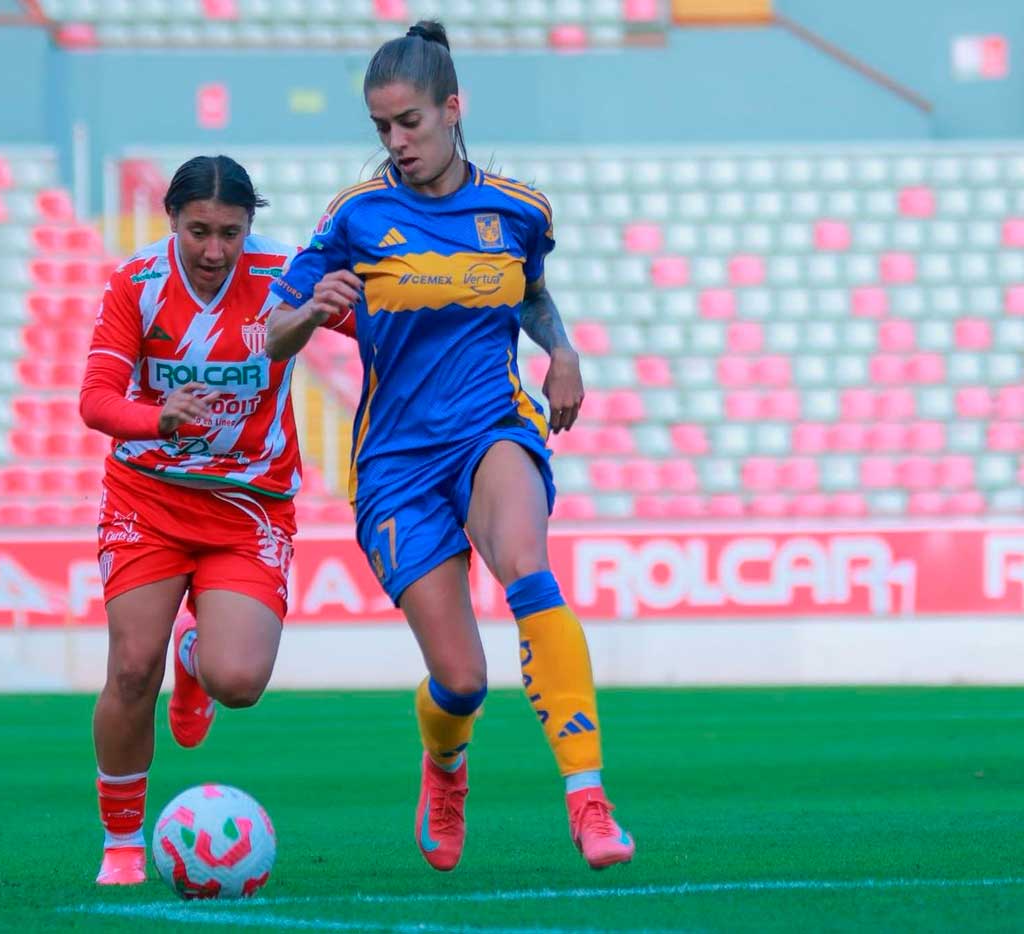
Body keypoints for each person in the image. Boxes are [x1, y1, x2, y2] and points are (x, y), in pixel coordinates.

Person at [266, 21, 635, 872]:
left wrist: (564, 352)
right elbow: (270, 333)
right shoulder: (355, 218)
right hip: (396, 463)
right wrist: (307, 314)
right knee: (462, 680)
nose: (396, 144)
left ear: (452, 109)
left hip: (489, 426)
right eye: (382, 129)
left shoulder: (517, 209)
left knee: (528, 568)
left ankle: (588, 799)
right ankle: (446, 764)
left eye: (409, 124)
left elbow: (530, 293)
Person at [80, 155, 353, 885]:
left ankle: (196, 661)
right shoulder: (134, 284)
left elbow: (379, 321)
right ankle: (122, 844)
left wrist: (352, 293)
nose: (213, 250)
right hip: (148, 498)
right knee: (131, 670)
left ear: (248, 227)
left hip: (247, 506)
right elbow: (96, 400)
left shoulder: (282, 277)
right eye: (198, 230)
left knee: (240, 682)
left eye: (230, 233)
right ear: (171, 219)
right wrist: (155, 417)